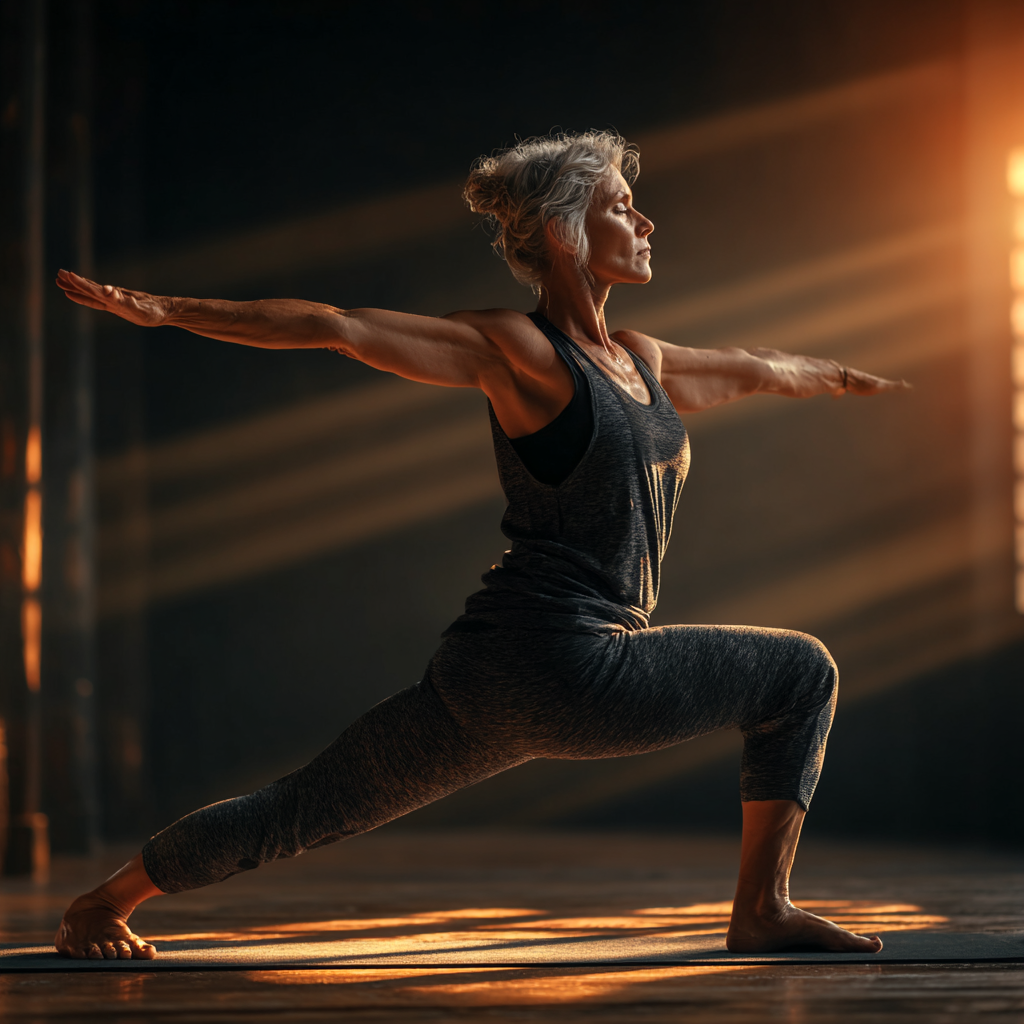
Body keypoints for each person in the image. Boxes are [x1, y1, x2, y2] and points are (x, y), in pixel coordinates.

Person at [54, 130, 905, 961]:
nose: (645, 223)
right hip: (568, 664)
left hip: (485, 676)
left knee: (300, 808)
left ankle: (103, 903)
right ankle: (760, 911)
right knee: (802, 673)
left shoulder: (645, 361)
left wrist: (840, 377)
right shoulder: (521, 354)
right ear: (565, 233)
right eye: (622, 207)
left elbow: (756, 365)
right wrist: (164, 310)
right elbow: (337, 326)